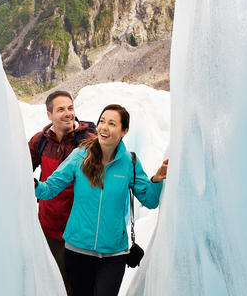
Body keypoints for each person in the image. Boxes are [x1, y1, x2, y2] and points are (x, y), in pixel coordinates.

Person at [35, 104, 168, 296]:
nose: (104, 127)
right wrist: (33, 185)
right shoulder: (80, 156)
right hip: (77, 250)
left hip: (114, 254)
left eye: (112, 123)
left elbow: (150, 200)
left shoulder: (129, 162)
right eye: (102, 121)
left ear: (124, 131)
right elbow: (49, 189)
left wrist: (156, 179)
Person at [29, 90, 96, 295]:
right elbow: (20, 172)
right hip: (50, 228)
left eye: (70, 108)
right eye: (61, 109)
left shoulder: (89, 142)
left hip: (80, 231)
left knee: (81, 286)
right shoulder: (40, 142)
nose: (68, 113)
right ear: (49, 115)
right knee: (55, 284)